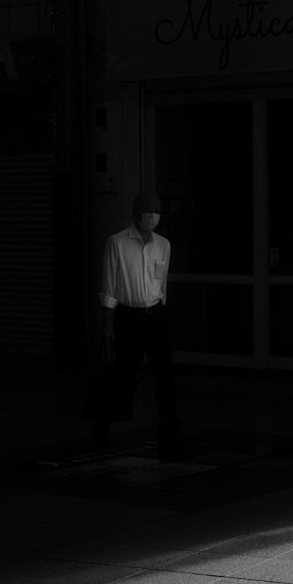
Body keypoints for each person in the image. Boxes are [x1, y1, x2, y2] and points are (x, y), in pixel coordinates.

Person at [99, 191, 182, 452]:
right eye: (148, 210)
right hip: (129, 315)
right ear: (136, 211)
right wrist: (107, 324)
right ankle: (106, 421)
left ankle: (170, 426)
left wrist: (161, 311)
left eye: (157, 210)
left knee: (165, 373)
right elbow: (109, 288)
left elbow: (162, 283)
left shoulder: (163, 245)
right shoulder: (117, 243)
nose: (153, 216)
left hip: (155, 314)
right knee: (123, 371)